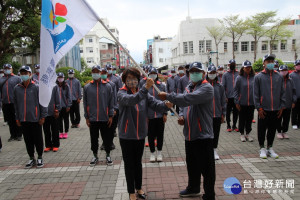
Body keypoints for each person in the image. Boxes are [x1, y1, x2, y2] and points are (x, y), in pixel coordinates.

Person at [158, 62, 215, 200]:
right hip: (190, 133)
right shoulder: (189, 87)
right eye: (192, 71)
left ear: (203, 73)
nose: (194, 74)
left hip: (203, 135)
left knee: (206, 169)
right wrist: (182, 116)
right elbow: (184, 106)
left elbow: (188, 99)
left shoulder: (207, 88)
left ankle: (209, 195)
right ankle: (193, 188)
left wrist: (168, 96)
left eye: (197, 71)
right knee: (192, 165)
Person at [118, 68, 172, 200]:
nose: (132, 81)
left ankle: (139, 188)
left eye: (134, 78)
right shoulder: (121, 93)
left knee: (138, 163)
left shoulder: (143, 93)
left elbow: (155, 104)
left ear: (138, 79)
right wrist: (145, 89)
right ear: (124, 80)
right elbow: (132, 100)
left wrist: (166, 105)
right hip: (127, 134)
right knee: (129, 163)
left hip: (140, 134)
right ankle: (131, 191)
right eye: (129, 79)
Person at [13, 66, 47, 168]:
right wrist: (17, 118)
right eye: (22, 73)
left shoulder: (36, 87)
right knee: (28, 140)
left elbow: (43, 103)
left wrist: (43, 116)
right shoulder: (17, 88)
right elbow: (16, 105)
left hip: (35, 118)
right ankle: (31, 157)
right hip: (23, 119)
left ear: (30, 74)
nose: (24, 75)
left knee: (38, 139)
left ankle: (40, 157)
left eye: (26, 73)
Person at [254, 54, 285, 159]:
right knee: (262, 129)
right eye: (268, 61)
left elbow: (282, 93)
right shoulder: (259, 77)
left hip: (276, 108)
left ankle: (270, 147)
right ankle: (262, 147)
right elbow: (256, 94)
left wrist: (282, 106)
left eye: (272, 61)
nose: (270, 63)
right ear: (264, 63)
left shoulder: (279, 76)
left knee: (272, 129)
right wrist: (259, 107)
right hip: (264, 108)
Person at [84, 65, 114, 166]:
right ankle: (95, 155)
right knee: (93, 138)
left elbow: (111, 103)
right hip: (92, 118)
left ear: (101, 73)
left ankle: (108, 155)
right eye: (94, 72)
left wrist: (110, 116)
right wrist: (86, 117)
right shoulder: (87, 87)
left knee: (107, 138)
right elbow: (85, 103)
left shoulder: (108, 86)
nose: (95, 73)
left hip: (104, 118)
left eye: (97, 71)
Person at [147, 68, 168, 162]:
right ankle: (152, 153)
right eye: (151, 73)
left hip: (160, 115)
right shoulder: (146, 86)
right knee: (150, 135)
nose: (153, 75)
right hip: (149, 115)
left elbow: (165, 100)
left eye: (154, 73)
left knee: (160, 134)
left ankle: (159, 152)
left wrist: (165, 113)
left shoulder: (162, 86)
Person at [206, 64, 226, 160]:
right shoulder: (204, 85)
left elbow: (223, 100)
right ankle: (207, 150)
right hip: (206, 115)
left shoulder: (220, 86)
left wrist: (223, 113)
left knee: (216, 133)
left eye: (214, 73)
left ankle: (214, 150)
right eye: (210, 73)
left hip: (217, 114)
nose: (212, 74)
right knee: (207, 133)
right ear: (207, 73)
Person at [233, 60, 255, 142]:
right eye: (246, 67)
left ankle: (248, 133)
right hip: (242, 102)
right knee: (242, 118)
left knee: (249, 119)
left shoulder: (254, 77)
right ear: (243, 68)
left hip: (251, 103)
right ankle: (242, 133)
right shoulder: (239, 78)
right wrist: (236, 101)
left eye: (249, 67)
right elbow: (235, 90)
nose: (248, 69)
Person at [0, 64, 22, 141]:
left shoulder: (17, 78)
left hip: (15, 103)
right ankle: (12, 135)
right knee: (10, 120)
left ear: (12, 69)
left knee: (17, 118)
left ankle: (19, 135)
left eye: (8, 68)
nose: (7, 70)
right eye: (5, 68)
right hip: (6, 103)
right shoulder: (1, 79)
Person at [99, 67, 118, 151]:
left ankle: (110, 142)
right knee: (103, 128)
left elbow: (114, 97)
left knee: (111, 128)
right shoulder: (97, 85)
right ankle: (104, 143)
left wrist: (114, 109)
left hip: (111, 109)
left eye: (104, 73)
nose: (103, 74)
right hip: (102, 110)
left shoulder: (111, 84)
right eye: (101, 73)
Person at [277, 65, 296, 139]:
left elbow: (294, 91)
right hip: (279, 103)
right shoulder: (277, 80)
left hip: (288, 103)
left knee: (286, 118)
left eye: (285, 70)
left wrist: (294, 101)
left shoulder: (290, 80)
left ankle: (284, 131)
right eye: (282, 70)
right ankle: (279, 131)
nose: (283, 72)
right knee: (279, 118)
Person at [222, 59, 239, 132]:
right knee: (228, 111)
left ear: (235, 65)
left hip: (236, 97)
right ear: (228, 65)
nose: (232, 65)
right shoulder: (225, 74)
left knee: (236, 112)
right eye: (230, 64)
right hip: (228, 97)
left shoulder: (238, 74)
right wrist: (225, 96)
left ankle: (234, 125)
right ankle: (228, 125)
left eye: (233, 64)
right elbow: (223, 86)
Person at [43, 83, 61, 152]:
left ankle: (55, 145)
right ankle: (48, 145)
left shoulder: (54, 85)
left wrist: (57, 109)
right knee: (46, 130)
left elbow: (57, 98)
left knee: (55, 129)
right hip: (44, 112)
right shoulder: (41, 85)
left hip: (53, 111)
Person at [107, 65, 123, 139]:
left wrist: (118, 101)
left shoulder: (117, 78)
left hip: (115, 100)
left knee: (115, 118)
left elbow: (120, 89)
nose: (108, 70)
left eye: (109, 69)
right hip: (106, 101)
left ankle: (113, 130)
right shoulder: (103, 78)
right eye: (107, 69)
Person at [56, 72, 72, 139]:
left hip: (65, 106)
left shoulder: (66, 86)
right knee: (59, 120)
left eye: (61, 77)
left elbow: (69, 96)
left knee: (66, 119)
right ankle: (60, 132)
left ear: (63, 78)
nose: (60, 79)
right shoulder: (55, 86)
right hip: (58, 107)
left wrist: (68, 105)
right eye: (59, 77)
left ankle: (65, 132)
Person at [290, 60, 300, 130]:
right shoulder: (291, 75)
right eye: (297, 65)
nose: (299, 66)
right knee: (294, 111)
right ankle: (294, 123)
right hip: (295, 96)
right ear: (295, 66)